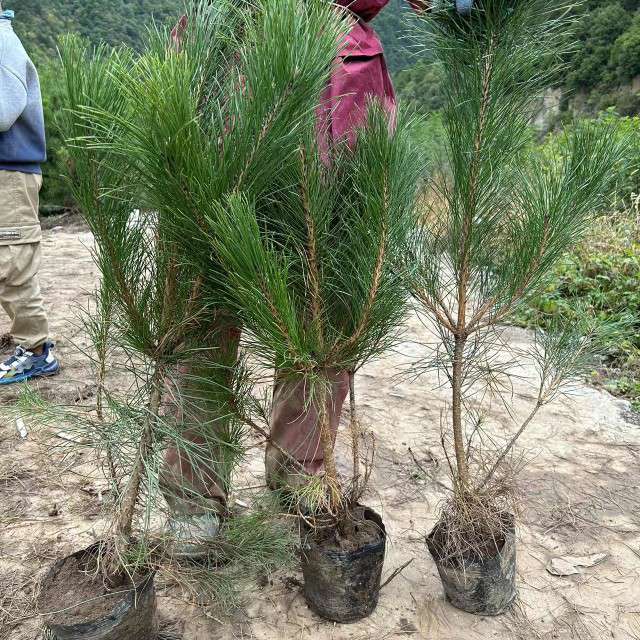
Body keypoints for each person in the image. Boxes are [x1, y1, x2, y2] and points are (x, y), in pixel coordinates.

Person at [161, 0, 473, 550]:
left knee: (321, 303)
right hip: (238, 59)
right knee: (207, 299)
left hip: (325, 79)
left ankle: (287, 477)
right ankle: (200, 498)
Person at [0, 5, 59, 385]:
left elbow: (4, 111)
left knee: (12, 264)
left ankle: (37, 352)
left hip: (10, 172)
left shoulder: (3, 42)